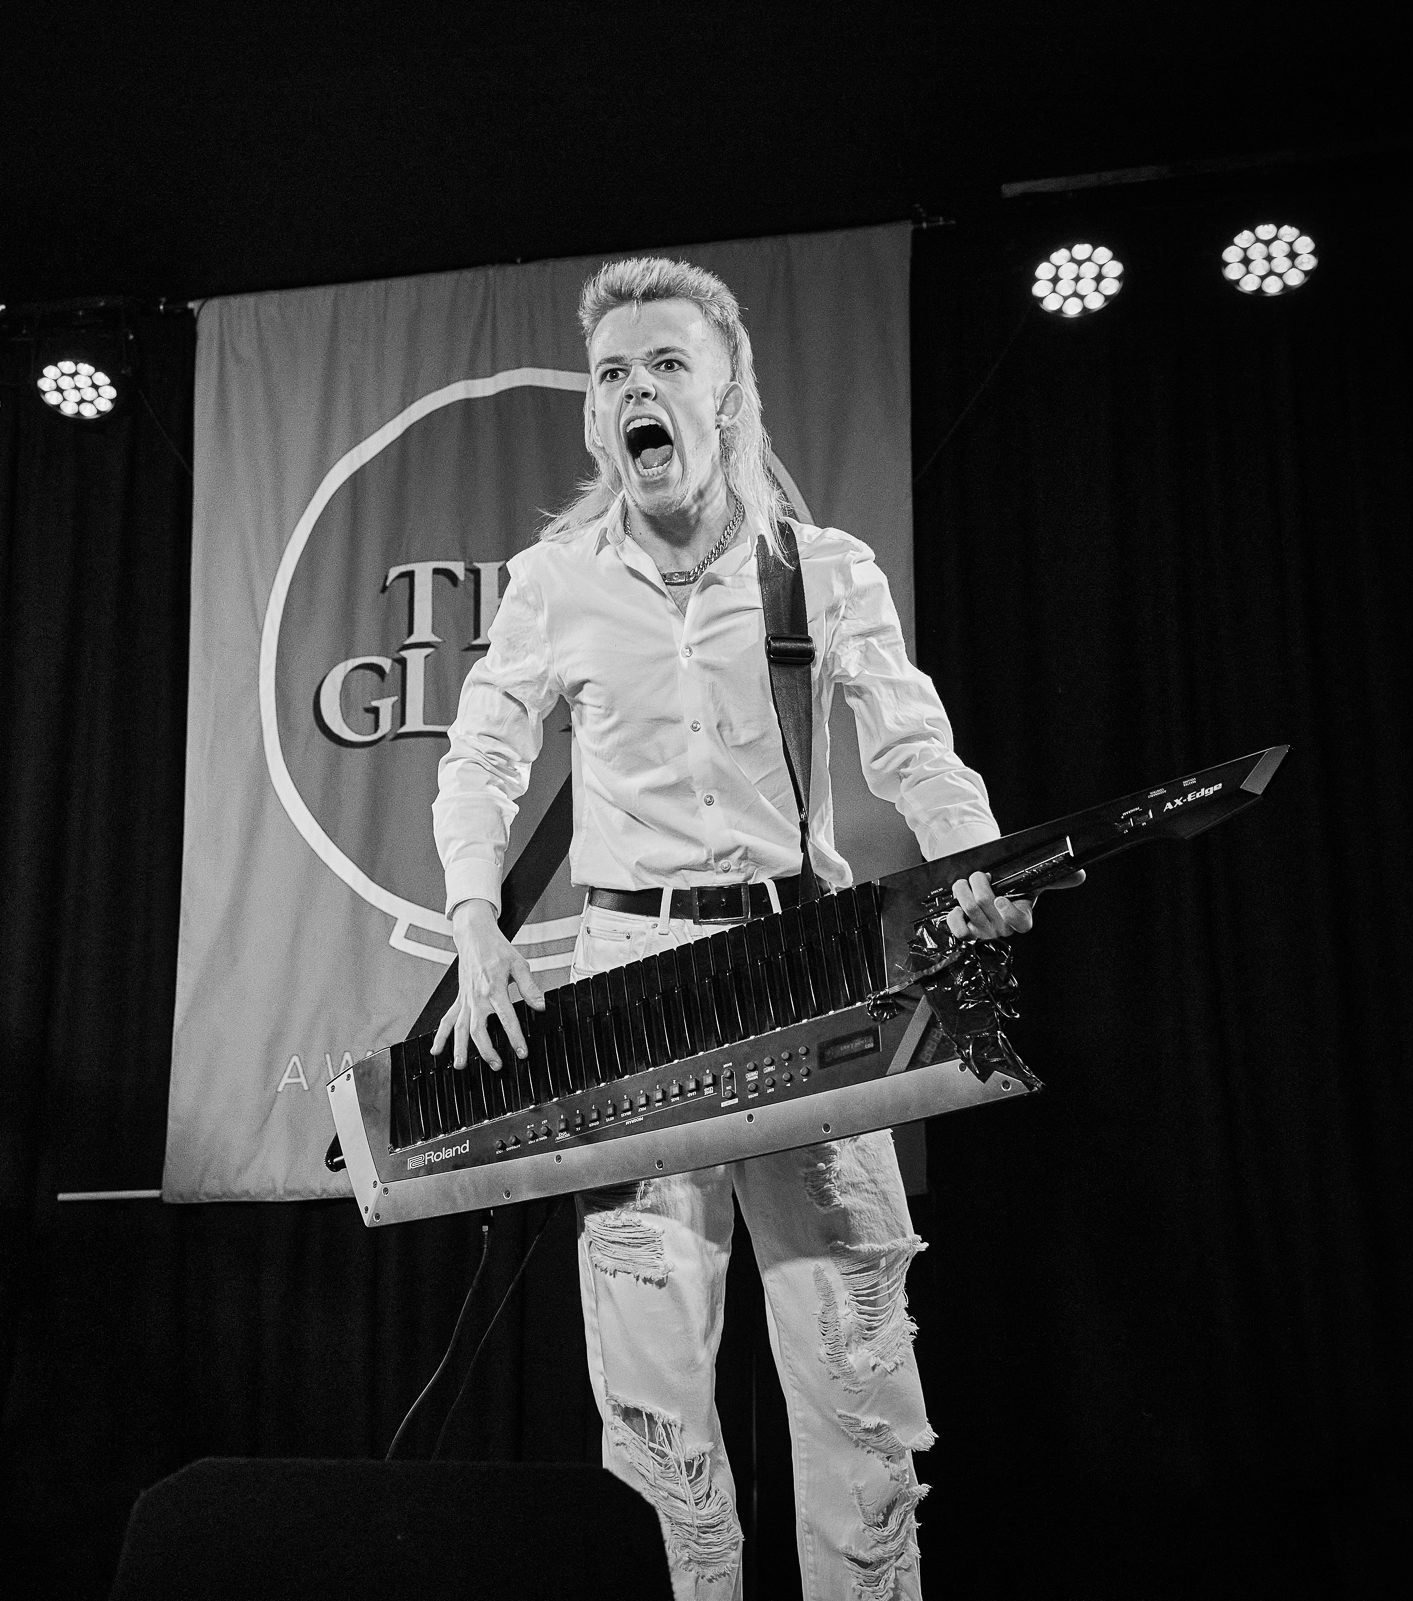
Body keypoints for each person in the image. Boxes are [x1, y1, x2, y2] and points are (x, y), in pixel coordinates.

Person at [432, 257, 1073, 1601]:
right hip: (627, 980)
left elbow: (913, 747)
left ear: (727, 395)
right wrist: (475, 918)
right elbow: (481, 757)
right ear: (593, 415)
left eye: (667, 364)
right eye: (614, 373)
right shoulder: (552, 583)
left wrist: (973, 866)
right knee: (653, 1402)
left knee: (856, 1368)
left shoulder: (818, 570)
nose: (638, 390)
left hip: (802, 968)